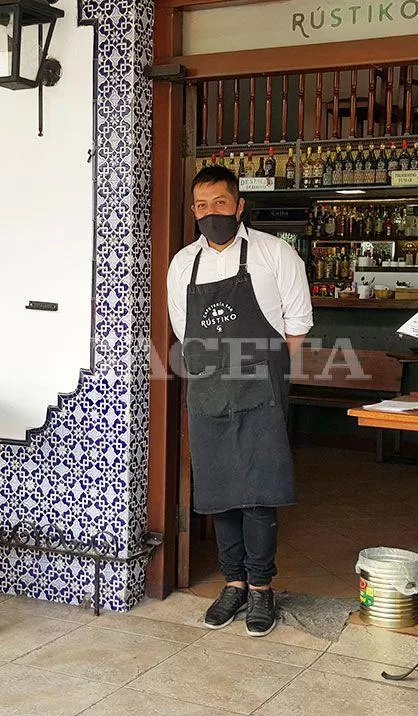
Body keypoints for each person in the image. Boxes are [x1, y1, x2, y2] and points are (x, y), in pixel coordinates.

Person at [166, 164, 313, 637]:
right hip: (208, 388)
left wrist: (268, 375)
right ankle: (232, 583)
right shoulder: (182, 263)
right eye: (203, 206)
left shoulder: (276, 255)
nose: (212, 214)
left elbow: (297, 328)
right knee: (219, 492)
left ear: (239, 206)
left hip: (261, 390)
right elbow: (185, 333)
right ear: (194, 211)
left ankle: (262, 588)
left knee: (258, 492)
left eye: (221, 204)